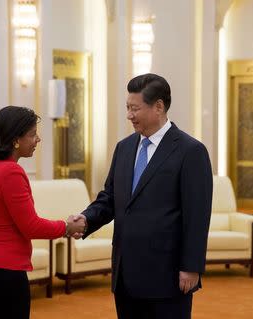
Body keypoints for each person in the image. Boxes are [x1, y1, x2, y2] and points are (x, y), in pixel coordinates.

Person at [74, 74, 213, 318]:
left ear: (158, 106)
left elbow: (197, 216)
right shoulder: (124, 148)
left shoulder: (191, 151)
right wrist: (86, 219)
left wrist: (191, 267)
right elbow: (110, 197)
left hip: (167, 277)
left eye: (134, 108)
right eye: (127, 107)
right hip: (126, 276)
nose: (129, 115)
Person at [0, 106, 85, 319]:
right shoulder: (11, 171)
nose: (37, 139)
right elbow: (30, 226)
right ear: (15, 140)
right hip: (3, 270)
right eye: (32, 134)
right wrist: (67, 227)